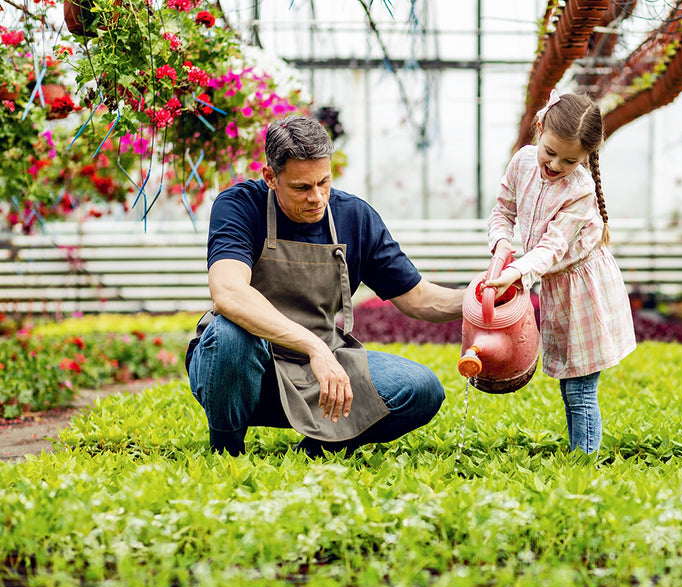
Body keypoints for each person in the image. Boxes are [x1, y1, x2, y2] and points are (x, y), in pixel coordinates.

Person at [186, 115, 464, 457]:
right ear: (271, 177)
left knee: (421, 388)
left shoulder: (355, 217)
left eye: (324, 182)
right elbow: (228, 293)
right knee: (230, 334)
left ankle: (317, 448)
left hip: (319, 373)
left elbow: (418, 298)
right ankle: (226, 450)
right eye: (302, 187)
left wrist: (478, 299)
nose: (317, 197)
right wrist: (314, 348)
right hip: (250, 373)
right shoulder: (241, 206)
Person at [482, 90, 636, 456]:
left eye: (568, 161)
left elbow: (552, 249)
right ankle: (580, 454)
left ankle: (584, 465)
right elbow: (503, 210)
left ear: (585, 158)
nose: (553, 165)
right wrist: (503, 244)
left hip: (585, 290)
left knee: (580, 387)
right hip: (556, 285)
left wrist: (517, 271)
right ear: (539, 129)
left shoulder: (580, 189)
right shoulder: (521, 162)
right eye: (549, 152)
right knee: (570, 384)